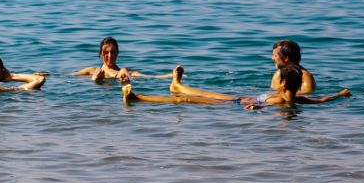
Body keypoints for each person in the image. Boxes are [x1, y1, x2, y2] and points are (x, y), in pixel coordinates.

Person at [123, 64, 350, 109]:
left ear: (281, 82)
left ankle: (139, 98)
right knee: (198, 95)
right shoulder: (299, 98)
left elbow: (265, 106)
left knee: (190, 100)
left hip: (237, 103)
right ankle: (177, 85)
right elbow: (322, 100)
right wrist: (341, 93)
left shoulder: (279, 100)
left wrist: (255, 107)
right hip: (241, 100)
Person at [72, 36, 170, 83]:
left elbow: (152, 77)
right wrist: (94, 79)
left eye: (113, 52)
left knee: (124, 71)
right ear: (100, 54)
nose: (110, 56)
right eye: (106, 53)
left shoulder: (126, 72)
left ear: (118, 53)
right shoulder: (91, 71)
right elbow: (67, 77)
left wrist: (171, 75)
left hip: (120, 92)